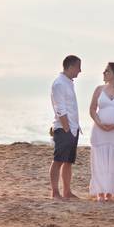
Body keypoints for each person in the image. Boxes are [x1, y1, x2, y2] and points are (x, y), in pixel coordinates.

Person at [88, 63, 114, 201]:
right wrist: (99, 123)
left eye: (107, 71)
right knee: (99, 160)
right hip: (99, 130)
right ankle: (100, 192)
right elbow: (92, 109)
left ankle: (110, 192)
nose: (104, 73)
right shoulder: (99, 89)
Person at [49, 55, 81, 200]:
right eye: (78, 67)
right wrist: (67, 128)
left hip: (73, 128)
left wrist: (74, 129)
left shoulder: (68, 82)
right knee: (58, 160)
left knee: (68, 162)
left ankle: (67, 192)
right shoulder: (59, 84)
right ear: (71, 67)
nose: (80, 70)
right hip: (63, 129)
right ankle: (55, 192)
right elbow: (60, 108)